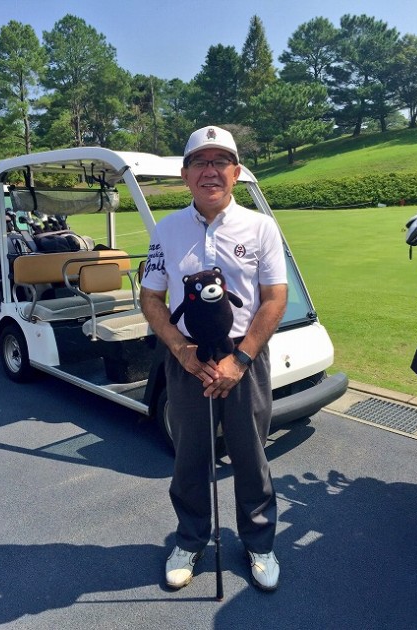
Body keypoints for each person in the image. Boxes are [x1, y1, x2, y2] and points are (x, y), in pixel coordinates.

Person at [140, 125, 288, 591]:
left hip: (244, 354)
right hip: (188, 358)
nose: (210, 171)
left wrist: (240, 360)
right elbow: (151, 298)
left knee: (251, 454)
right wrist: (180, 349)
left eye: (220, 161)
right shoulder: (167, 229)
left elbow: (274, 299)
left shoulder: (261, 227)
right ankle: (190, 539)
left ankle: (259, 543)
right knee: (189, 457)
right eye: (200, 162)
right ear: (185, 174)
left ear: (236, 172)